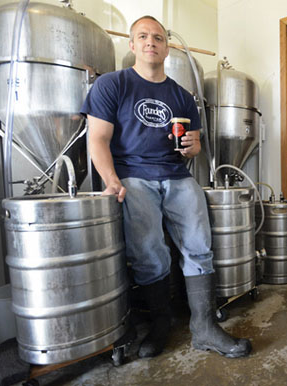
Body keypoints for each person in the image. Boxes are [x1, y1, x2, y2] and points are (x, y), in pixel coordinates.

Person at [81, 15, 251, 359]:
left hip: (176, 175)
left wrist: (194, 147)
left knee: (200, 246)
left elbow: (196, 144)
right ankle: (160, 325)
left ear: (167, 47)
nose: (151, 42)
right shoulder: (112, 85)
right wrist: (111, 180)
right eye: (142, 36)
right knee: (148, 253)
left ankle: (203, 327)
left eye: (158, 37)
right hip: (133, 175)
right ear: (132, 45)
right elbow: (97, 139)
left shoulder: (182, 96)